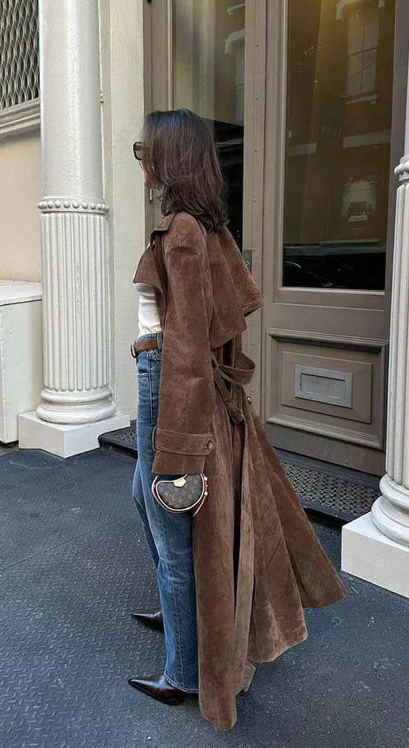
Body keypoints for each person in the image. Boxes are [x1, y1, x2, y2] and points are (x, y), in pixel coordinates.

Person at [128, 108, 348, 731]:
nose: (141, 158)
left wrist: (181, 447)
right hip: (160, 374)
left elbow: (191, 349)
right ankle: (178, 616)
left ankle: (185, 672)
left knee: (173, 527)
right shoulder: (202, 226)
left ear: (169, 157)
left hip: (164, 382)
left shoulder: (184, 233)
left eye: (146, 148)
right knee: (141, 500)